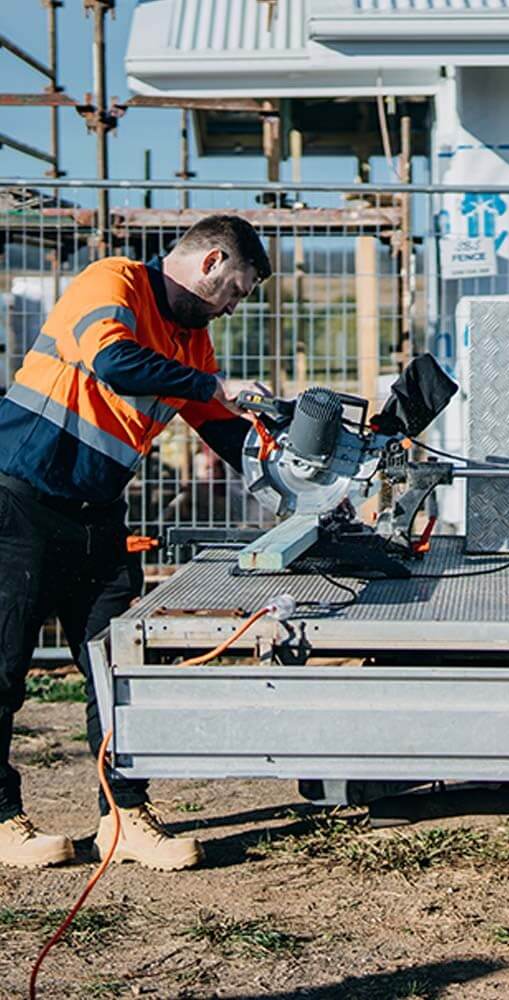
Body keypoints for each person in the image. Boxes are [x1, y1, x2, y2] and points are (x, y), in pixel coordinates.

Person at [0, 215, 271, 870]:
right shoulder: (111, 281)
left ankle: (124, 815)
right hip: (20, 503)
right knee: (4, 668)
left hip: (96, 516)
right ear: (209, 263)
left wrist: (290, 471)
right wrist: (213, 387)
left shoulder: (191, 342)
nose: (233, 308)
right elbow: (111, 360)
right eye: (235, 290)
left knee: (116, 670)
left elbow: (223, 433)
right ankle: (3, 819)